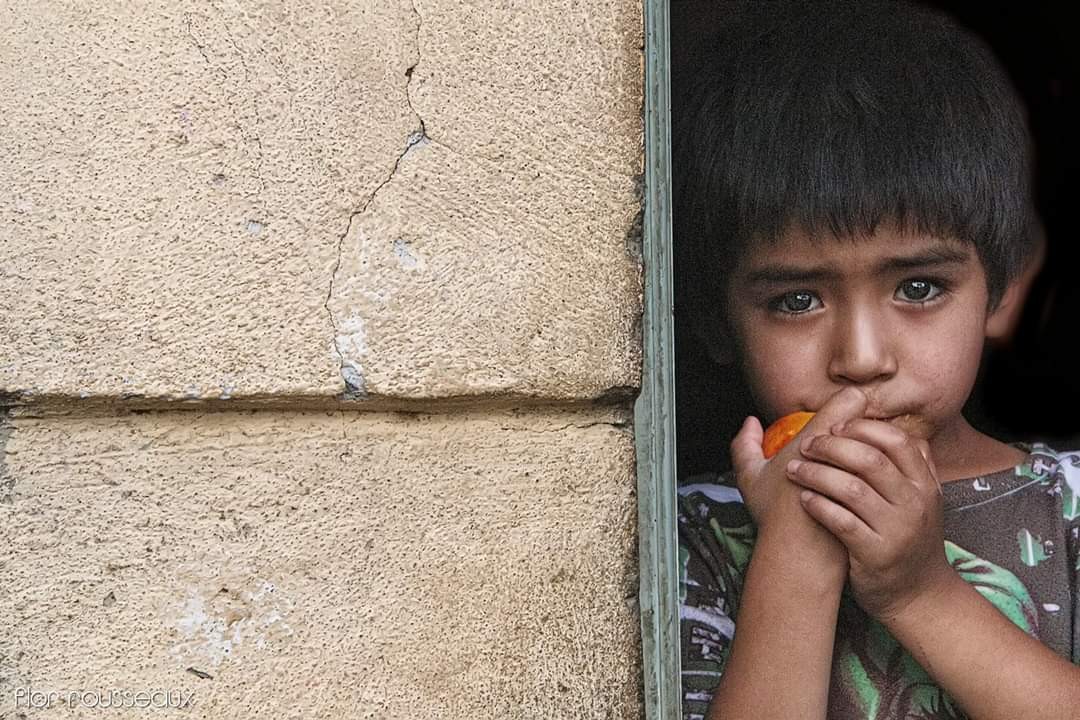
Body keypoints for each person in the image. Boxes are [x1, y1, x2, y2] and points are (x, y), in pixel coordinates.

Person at [672, 2, 1080, 719]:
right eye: (797, 301)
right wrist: (796, 554)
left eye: (919, 288)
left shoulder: (1068, 509)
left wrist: (919, 593)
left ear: (1005, 292)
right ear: (715, 322)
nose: (861, 359)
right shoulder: (689, 537)